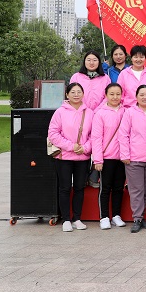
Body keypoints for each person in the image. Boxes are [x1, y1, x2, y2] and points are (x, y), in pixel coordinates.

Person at [48, 82, 93, 232]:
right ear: (67, 94)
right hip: (64, 157)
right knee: (65, 188)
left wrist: (85, 148)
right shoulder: (60, 112)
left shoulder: (89, 113)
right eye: (72, 92)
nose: (76, 95)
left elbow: (94, 135)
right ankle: (66, 219)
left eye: (79, 92)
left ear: (83, 94)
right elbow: (53, 134)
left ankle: (77, 218)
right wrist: (71, 146)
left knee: (80, 188)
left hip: (82, 158)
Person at [118, 85, 146, 233]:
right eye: (141, 95)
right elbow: (123, 134)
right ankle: (137, 218)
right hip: (134, 158)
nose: (144, 97)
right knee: (136, 190)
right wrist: (125, 155)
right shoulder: (130, 113)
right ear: (136, 97)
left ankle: (141, 216)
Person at [91, 83, 126, 229]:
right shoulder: (100, 113)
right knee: (105, 188)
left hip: (122, 157)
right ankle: (104, 216)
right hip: (106, 157)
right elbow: (96, 138)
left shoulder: (126, 111)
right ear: (105, 95)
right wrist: (98, 159)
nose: (115, 97)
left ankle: (116, 215)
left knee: (119, 188)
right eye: (112, 94)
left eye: (118, 94)